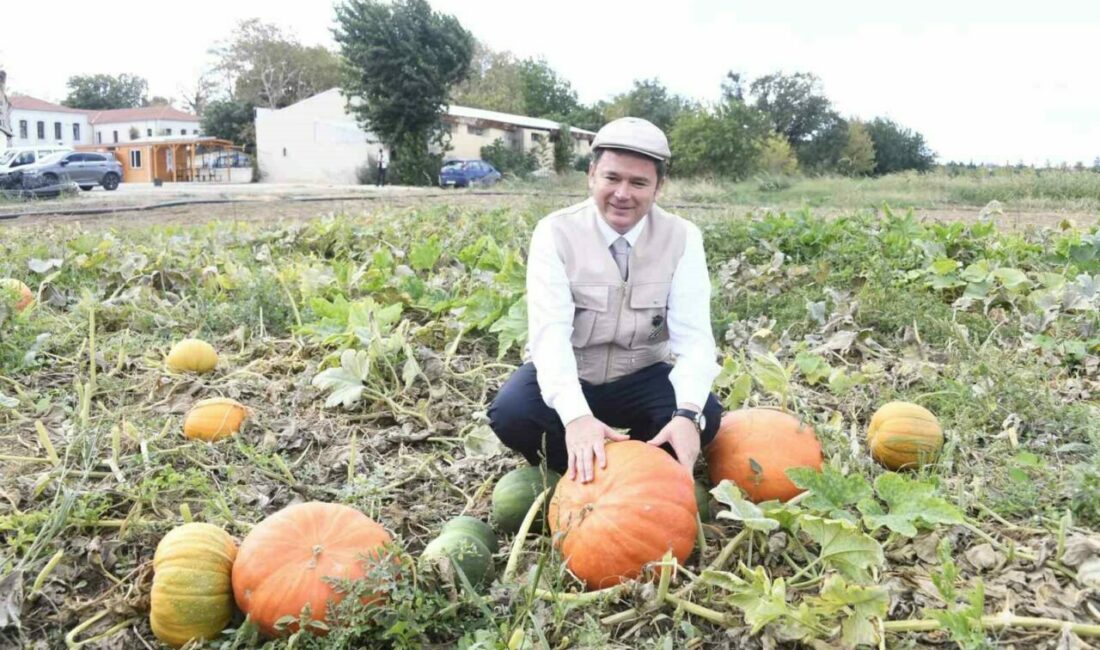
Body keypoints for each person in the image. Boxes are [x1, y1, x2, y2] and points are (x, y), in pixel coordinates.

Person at [488, 117, 722, 483]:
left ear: (659, 187)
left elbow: (695, 339)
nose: (622, 194)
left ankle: (639, 469)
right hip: (576, 371)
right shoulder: (556, 232)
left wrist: (688, 415)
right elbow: (549, 336)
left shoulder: (682, 237)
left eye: (639, 182)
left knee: (705, 413)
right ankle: (590, 467)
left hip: (641, 373)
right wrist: (576, 416)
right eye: (612, 178)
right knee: (513, 412)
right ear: (592, 175)